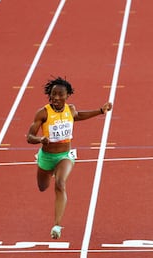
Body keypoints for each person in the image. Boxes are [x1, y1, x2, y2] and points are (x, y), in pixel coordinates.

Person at [27, 76, 112, 239]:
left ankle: (57, 225)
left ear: (67, 96)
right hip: (46, 156)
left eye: (60, 95)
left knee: (60, 184)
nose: (56, 98)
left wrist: (100, 111)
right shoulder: (43, 113)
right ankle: (46, 167)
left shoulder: (70, 109)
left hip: (65, 155)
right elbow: (29, 136)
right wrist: (40, 140)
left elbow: (78, 116)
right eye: (53, 94)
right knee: (42, 187)